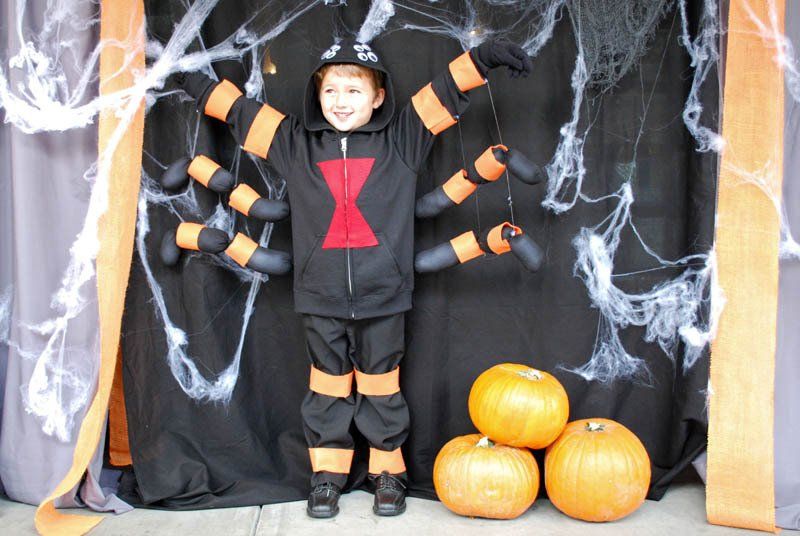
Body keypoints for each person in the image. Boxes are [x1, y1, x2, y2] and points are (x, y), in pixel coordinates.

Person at [176, 37, 531, 519]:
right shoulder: (294, 142)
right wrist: (184, 76)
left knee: (383, 385)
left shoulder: (403, 137)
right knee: (327, 387)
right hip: (318, 295)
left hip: (385, 294)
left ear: (378, 96)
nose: (341, 101)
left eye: (354, 90)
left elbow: (444, 93)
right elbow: (237, 111)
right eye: (331, 91)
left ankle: (389, 473)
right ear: (317, 96)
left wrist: (483, 58)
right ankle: (327, 477)